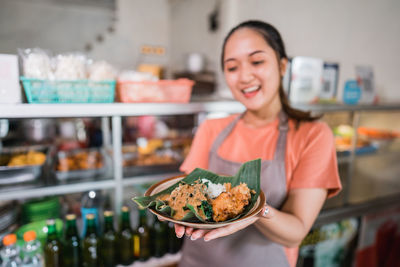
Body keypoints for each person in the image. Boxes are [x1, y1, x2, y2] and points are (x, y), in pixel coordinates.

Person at [175, 20, 342, 267]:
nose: (244, 76)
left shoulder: (312, 135)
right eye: (232, 67)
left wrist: (255, 210)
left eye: (257, 62)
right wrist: (177, 208)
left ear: (282, 65)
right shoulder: (212, 128)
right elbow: (188, 197)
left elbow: (297, 230)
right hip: (197, 260)